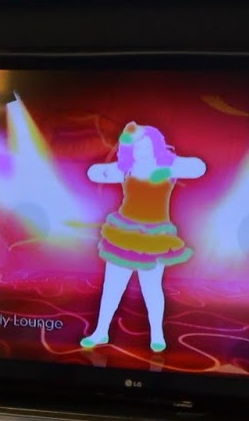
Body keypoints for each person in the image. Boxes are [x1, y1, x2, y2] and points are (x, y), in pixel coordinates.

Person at [80, 121, 205, 355]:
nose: (143, 152)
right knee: (112, 287)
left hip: (154, 237)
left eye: (147, 147)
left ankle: (157, 334)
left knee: (152, 288)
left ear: (156, 147)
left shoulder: (169, 167)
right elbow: (93, 172)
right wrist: (123, 147)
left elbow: (199, 168)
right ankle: (101, 331)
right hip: (124, 234)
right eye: (138, 148)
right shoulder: (126, 169)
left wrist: (169, 168)